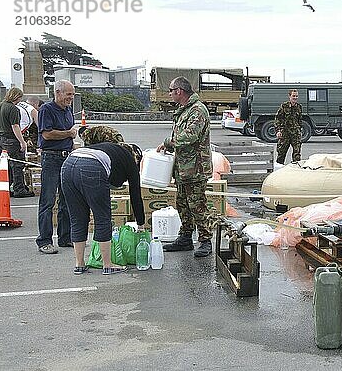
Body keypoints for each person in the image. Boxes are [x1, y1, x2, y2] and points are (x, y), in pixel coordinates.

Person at [61, 142, 145, 275]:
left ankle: (79, 264)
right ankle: (107, 264)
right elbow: (135, 195)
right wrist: (140, 224)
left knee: (77, 218)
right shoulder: (129, 160)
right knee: (102, 217)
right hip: (92, 167)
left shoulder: (109, 148)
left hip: (68, 164)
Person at [157, 76, 213, 257]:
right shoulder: (184, 109)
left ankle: (205, 241)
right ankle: (186, 237)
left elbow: (189, 136)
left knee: (197, 205)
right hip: (183, 168)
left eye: (171, 91)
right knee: (182, 204)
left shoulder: (197, 110)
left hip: (195, 168)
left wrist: (168, 142)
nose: (170, 94)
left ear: (179, 91)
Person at [36, 80, 77, 254]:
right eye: (69, 94)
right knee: (48, 200)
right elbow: (47, 134)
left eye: (73, 95)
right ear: (58, 93)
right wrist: (68, 133)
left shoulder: (68, 111)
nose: (71, 98)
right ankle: (44, 240)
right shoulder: (46, 110)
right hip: (51, 159)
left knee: (66, 200)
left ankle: (65, 237)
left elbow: (71, 135)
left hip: (66, 157)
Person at [0, 87, 33, 197]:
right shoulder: (13, 109)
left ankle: (6, 187)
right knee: (17, 165)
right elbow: (15, 126)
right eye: (20, 98)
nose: (20, 101)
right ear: (17, 96)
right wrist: (22, 142)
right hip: (11, 140)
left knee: (5, 165)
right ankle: (19, 189)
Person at [275, 89, 302, 164]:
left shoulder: (299, 107)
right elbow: (278, 119)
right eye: (293, 96)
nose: (295, 98)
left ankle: (295, 171)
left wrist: (299, 130)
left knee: (297, 155)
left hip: (295, 134)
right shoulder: (284, 106)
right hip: (285, 133)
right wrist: (278, 131)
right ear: (289, 96)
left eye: (296, 96)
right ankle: (279, 171)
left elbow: (300, 120)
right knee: (281, 154)